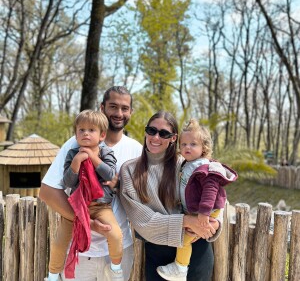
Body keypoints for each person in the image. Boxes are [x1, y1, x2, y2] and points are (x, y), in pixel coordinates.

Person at [39, 86, 143, 281]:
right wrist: (88, 224)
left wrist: (119, 184)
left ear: (131, 112)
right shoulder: (74, 145)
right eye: (113, 106)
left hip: (119, 248)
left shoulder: (136, 149)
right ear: (102, 108)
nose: (119, 113)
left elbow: (141, 196)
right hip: (79, 251)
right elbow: (48, 192)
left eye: (124, 108)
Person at [120, 111, 223, 281]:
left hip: (197, 248)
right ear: (146, 132)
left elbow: (217, 194)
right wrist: (187, 221)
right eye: (151, 130)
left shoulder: (190, 164)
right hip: (159, 251)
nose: (156, 137)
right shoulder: (130, 171)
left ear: (173, 138)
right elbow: (142, 221)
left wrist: (214, 223)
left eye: (164, 133)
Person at [156, 118, 238, 281]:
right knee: (186, 236)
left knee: (185, 240)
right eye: (184, 144)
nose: (187, 147)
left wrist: (204, 214)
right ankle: (180, 266)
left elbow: (211, 191)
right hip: (198, 213)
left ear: (204, 148)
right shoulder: (186, 164)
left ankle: (180, 268)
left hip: (208, 212)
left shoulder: (206, 167)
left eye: (193, 144)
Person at [47, 110, 123, 281]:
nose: (86, 133)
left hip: (100, 206)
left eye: (91, 130)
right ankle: (52, 275)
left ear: (102, 135)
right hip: (76, 206)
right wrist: (76, 162)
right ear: (76, 134)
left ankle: (115, 268)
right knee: (60, 242)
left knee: (115, 234)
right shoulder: (72, 154)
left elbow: (110, 175)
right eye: (81, 130)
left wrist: (92, 157)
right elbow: (68, 182)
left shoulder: (106, 153)